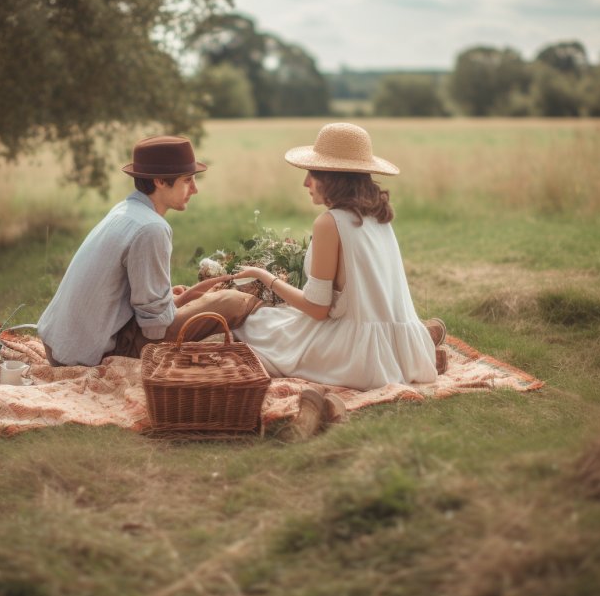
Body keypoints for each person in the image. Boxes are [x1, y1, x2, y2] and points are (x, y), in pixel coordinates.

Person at [231, 122, 447, 432]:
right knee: (276, 321)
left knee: (256, 326)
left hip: (355, 357)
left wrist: (265, 277)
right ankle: (429, 342)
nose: (306, 182)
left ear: (332, 179)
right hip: (403, 347)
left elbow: (318, 310)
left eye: (313, 174)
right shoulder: (379, 217)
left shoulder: (329, 223)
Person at [38, 135, 261, 367]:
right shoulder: (151, 228)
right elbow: (155, 329)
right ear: (160, 181)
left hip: (59, 344)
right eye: (187, 180)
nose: (194, 189)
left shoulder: (125, 210)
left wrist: (180, 299)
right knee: (233, 301)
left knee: (207, 298)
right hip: (83, 356)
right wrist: (185, 301)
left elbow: (138, 299)